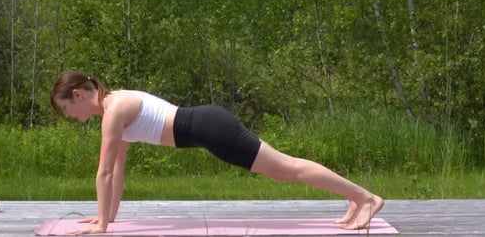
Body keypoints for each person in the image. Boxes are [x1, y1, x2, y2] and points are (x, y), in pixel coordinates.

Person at [50, 71, 384, 235]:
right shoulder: (115, 106)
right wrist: (105, 217)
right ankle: (357, 199)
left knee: (287, 169)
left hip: (210, 128)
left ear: (78, 95)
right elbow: (118, 172)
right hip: (207, 127)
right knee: (286, 168)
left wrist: (102, 228)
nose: (70, 117)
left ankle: (365, 198)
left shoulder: (114, 110)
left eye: (66, 109)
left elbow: (104, 172)